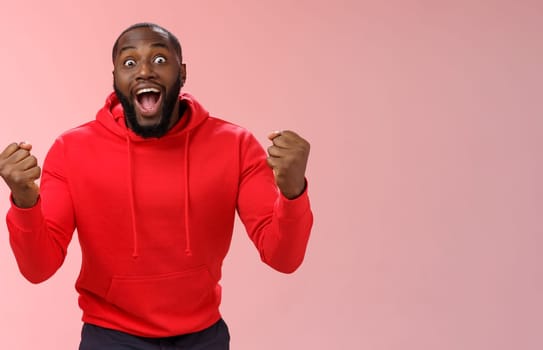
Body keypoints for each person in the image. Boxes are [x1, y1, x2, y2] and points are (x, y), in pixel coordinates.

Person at [0, 22, 313, 349]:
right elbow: (39, 269)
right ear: (115, 78)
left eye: (160, 60)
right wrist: (24, 201)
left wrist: (292, 193)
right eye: (129, 62)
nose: (145, 71)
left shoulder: (235, 145)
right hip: (110, 336)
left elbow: (283, 258)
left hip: (203, 337)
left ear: (183, 73)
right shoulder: (71, 150)